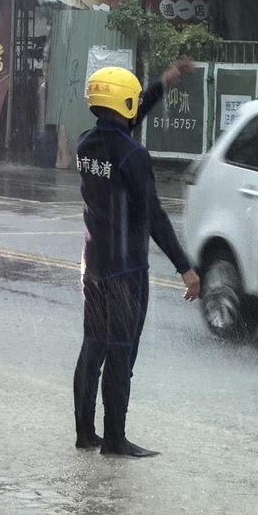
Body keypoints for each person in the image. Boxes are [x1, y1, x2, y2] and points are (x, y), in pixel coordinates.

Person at [73, 61, 201, 458]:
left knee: (93, 346)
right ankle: (115, 438)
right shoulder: (133, 155)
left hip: (94, 265)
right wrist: (185, 267)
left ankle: (85, 431)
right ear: (124, 102)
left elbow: (119, 123)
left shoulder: (85, 144)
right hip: (126, 270)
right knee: (121, 348)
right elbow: (155, 217)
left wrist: (160, 86)